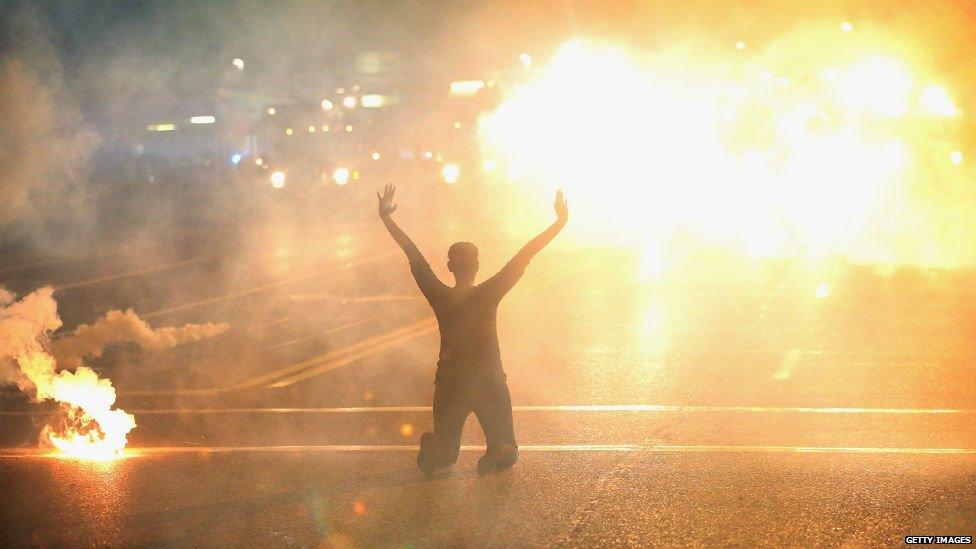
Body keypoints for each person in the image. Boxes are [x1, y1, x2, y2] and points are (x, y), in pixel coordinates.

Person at [377, 184, 568, 476]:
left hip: (450, 385)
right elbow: (525, 254)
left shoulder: (440, 295)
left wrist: (387, 218)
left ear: (450, 266)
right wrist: (559, 222)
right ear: (477, 265)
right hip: (489, 381)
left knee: (445, 456)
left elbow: (412, 253)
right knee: (508, 448)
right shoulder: (489, 293)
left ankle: (437, 447)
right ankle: (500, 449)